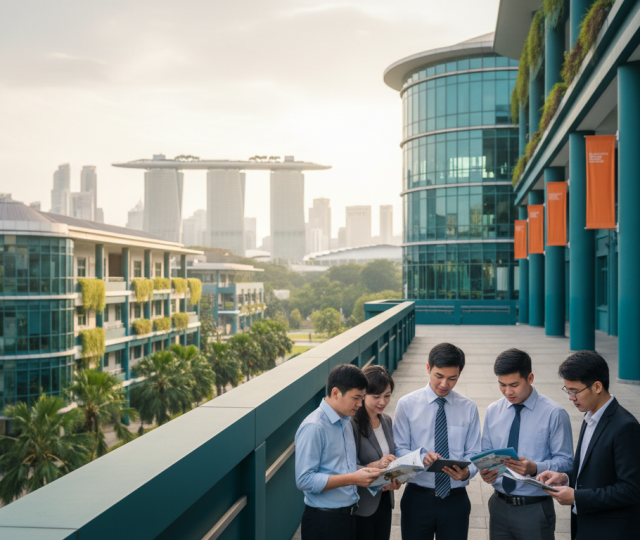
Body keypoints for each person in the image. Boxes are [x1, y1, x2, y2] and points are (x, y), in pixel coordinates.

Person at [537, 351, 640, 540]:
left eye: (575, 391)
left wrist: (577, 497)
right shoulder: (590, 417)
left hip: (610, 531)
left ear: (597, 386)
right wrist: (565, 478)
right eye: (567, 390)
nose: (570, 397)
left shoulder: (626, 426)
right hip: (584, 527)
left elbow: (631, 490)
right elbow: (592, 472)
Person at [479, 348, 573, 540]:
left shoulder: (554, 414)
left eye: (514, 385)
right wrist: (486, 471)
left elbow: (566, 462)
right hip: (498, 506)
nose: (507, 391)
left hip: (534, 508)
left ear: (530, 378)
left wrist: (534, 468)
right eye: (502, 384)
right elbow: (486, 453)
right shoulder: (493, 411)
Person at [393, 342, 481, 540]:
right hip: (417, 497)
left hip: (455, 500)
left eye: (452, 378)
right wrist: (419, 458)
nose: (444, 385)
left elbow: (475, 453)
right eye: (438, 376)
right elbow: (398, 449)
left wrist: (468, 472)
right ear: (428, 368)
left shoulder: (468, 408)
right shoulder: (406, 404)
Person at [295, 363, 383, 540]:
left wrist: (367, 471)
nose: (360, 403)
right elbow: (304, 480)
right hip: (324, 521)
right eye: (356, 398)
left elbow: (341, 466)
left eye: (362, 397)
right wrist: (353, 478)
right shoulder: (314, 427)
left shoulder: (346, 421)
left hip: (349, 517)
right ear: (335, 393)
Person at [351, 366, 401, 540]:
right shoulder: (352, 424)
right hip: (362, 504)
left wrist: (397, 476)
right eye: (376, 396)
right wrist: (375, 465)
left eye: (387, 395)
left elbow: (389, 460)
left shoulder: (386, 420)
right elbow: (347, 465)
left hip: (385, 500)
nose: (382, 402)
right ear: (363, 395)